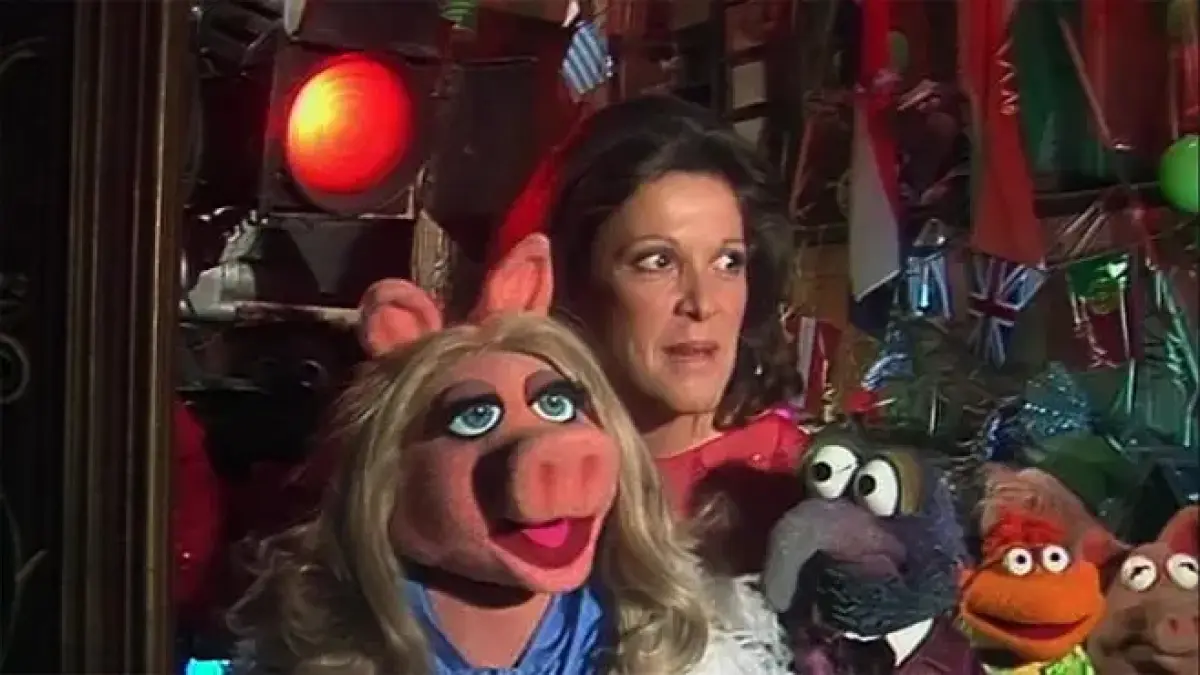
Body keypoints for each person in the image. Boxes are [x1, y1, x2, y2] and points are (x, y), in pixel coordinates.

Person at [226, 235, 792, 674]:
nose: (547, 446)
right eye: (475, 418)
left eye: (559, 407)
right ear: (387, 474)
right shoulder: (322, 647)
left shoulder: (677, 642)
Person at [487, 95, 809, 574]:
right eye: (657, 261)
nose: (702, 303)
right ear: (576, 280)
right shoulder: (518, 474)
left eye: (728, 262)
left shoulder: (802, 488)